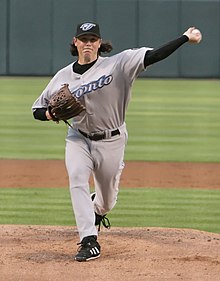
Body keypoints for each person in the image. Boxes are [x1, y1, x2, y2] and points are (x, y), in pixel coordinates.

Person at [32, 22, 202, 262]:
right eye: (84, 39)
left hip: (111, 140)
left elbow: (153, 56)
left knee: (107, 201)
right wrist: (50, 114)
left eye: (93, 39)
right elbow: (37, 109)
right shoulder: (63, 76)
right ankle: (89, 240)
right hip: (78, 138)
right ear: (75, 42)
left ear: (99, 43)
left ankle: (97, 209)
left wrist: (184, 38)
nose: (88, 43)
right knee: (77, 177)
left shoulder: (119, 64)